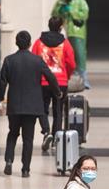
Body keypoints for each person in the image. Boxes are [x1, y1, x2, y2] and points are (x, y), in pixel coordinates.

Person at [0, 31, 61, 177]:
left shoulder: (9, 60)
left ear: (16, 43)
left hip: (14, 106)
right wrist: (57, 92)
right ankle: (25, 169)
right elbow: (50, 77)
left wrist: (0, 99)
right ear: (29, 43)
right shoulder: (37, 60)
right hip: (32, 106)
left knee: (13, 133)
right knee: (28, 139)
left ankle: (9, 161)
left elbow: (2, 82)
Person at [30, 17, 76, 152]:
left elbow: (33, 60)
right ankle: (57, 138)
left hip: (43, 82)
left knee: (42, 109)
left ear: (49, 26)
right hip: (60, 82)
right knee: (58, 110)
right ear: (60, 27)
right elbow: (71, 63)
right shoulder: (65, 43)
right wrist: (66, 75)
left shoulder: (38, 43)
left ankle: (46, 132)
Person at [51, 0, 91, 88]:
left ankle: (83, 79)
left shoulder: (81, 1)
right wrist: (60, 10)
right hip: (63, 31)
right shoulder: (61, 2)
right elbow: (54, 14)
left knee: (79, 54)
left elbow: (85, 14)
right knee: (64, 55)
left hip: (77, 32)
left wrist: (72, 12)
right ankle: (65, 78)